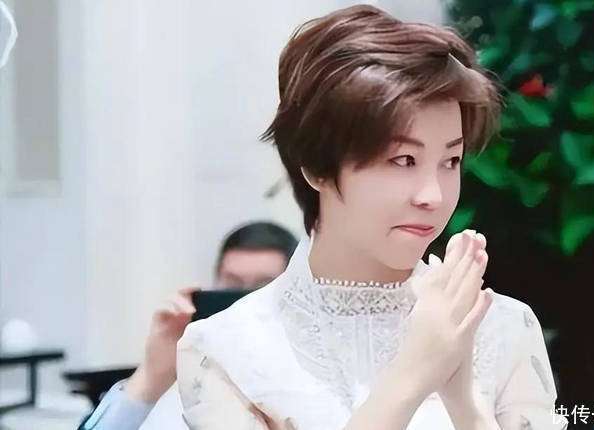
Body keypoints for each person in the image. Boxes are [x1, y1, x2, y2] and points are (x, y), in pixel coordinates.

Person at [176, 5, 568, 430]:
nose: (433, 196)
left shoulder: (503, 327)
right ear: (317, 166)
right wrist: (411, 376)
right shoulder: (226, 350)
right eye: (403, 160)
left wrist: (465, 404)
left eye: (451, 161)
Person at [79, 222, 297, 429]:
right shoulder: (180, 385)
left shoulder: (308, 383)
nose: (244, 301)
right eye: (232, 285)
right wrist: (150, 377)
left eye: (263, 287)